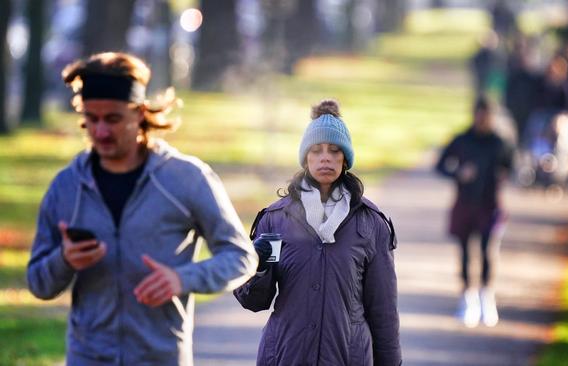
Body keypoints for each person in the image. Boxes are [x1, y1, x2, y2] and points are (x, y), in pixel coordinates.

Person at [26, 52, 257, 365]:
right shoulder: (67, 187)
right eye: (92, 119)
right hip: (88, 357)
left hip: (161, 356)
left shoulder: (184, 178)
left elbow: (241, 257)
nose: (101, 131)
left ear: (140, 113)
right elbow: (39, 283)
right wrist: (64, 260)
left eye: (113, 118)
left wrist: (183, 278)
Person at [234, 100, 402, 365]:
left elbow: (384, 312)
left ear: (345, 158)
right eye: (316, 150)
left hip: (349, 358)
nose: (326, 157)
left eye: (334, 151)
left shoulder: (372, 224)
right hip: (285, 356)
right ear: (305, 158)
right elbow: (254, 300)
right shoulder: (275, 220)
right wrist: (257, 270)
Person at [435, 97, 513, 328]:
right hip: (465, 203)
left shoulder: (500, 143)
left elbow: (513, 166)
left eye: (486, 116)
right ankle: (467, 299)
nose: (482, 120)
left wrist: (504, 174)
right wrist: (459, 173)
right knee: (465, 252)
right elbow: (440, 166)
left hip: (490, 204)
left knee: (488, 251)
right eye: (479, 115)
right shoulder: (462, 140)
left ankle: (486, 297)